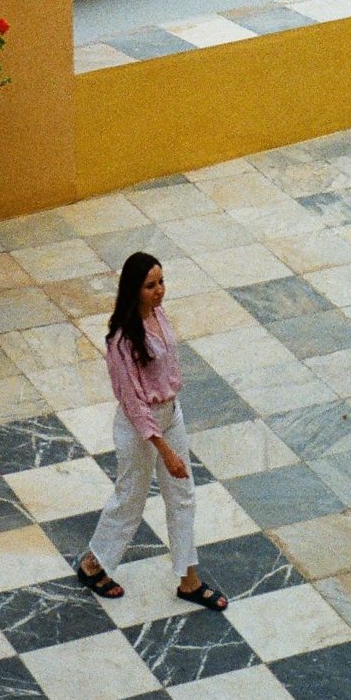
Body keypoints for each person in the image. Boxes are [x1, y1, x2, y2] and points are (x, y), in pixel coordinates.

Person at [78, 251, 227, 609]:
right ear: (133, 290)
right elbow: (133, 404)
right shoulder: (121, 341)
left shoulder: (159, 315)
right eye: (150, 285)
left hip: (169, 414)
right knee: (131, 497)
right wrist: (166, 452)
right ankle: (92, 563)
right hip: (139, 428)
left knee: (183, 495)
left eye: (161, 282)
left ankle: (189, 581)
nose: (159, 291)